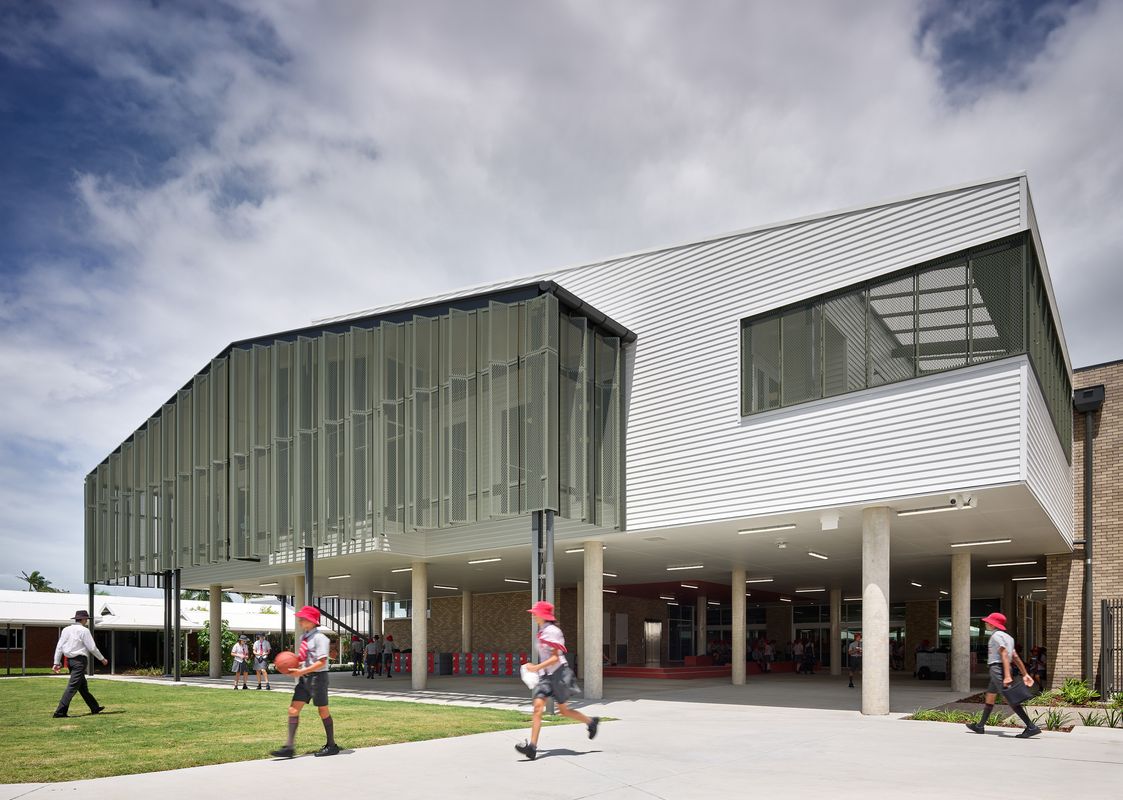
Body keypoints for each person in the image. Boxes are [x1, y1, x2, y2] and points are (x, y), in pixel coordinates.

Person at [515, 601, 599, 761]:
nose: (532, 615)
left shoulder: (553, 632)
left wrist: (536, 667)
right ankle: (532, 748)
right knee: (538, 708)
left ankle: (591, 722)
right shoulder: (541, 631)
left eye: (535, 613)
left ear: (543, 615)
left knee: (564, 711)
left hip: (560, 674)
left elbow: (555, 657)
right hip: (546, 676)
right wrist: (536, 668)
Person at [271, 605, 340, 758]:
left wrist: (301, 671)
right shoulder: (305, 637)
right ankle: (289, 747)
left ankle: (332, 745)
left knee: (323, 711)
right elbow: (303, 659)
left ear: (311, 620)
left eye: (303, 618)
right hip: (305, 679)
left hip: (318, 679)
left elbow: (322, 662)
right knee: (293, 710)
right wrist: (288, 666)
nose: (300, 620)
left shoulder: (321, 638)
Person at [966, 612, 1041, 738]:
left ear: (992, 624)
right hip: (1001, 668)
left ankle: (1031, 727)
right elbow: (1015, 657)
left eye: (987, 621)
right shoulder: (1008, 637)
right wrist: (1025, 674)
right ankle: (980, 726)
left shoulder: (996, 636)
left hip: (998, 669)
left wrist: (1006, 676)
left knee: (1010, 698)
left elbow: (1004, 654)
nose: (985, 623)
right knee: (990, 697)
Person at [51, 609, 108, 718]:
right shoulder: (84, 631)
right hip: (79, 661)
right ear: (83, 619)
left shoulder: (66, 630)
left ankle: (94, 707)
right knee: (72, 687)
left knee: (82, 687)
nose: (86, 620)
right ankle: (60, 712)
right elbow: (92, 647)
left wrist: (56, 662)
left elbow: (59, 647)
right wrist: (102, 658)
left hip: (70, 661)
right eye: (86, 618)